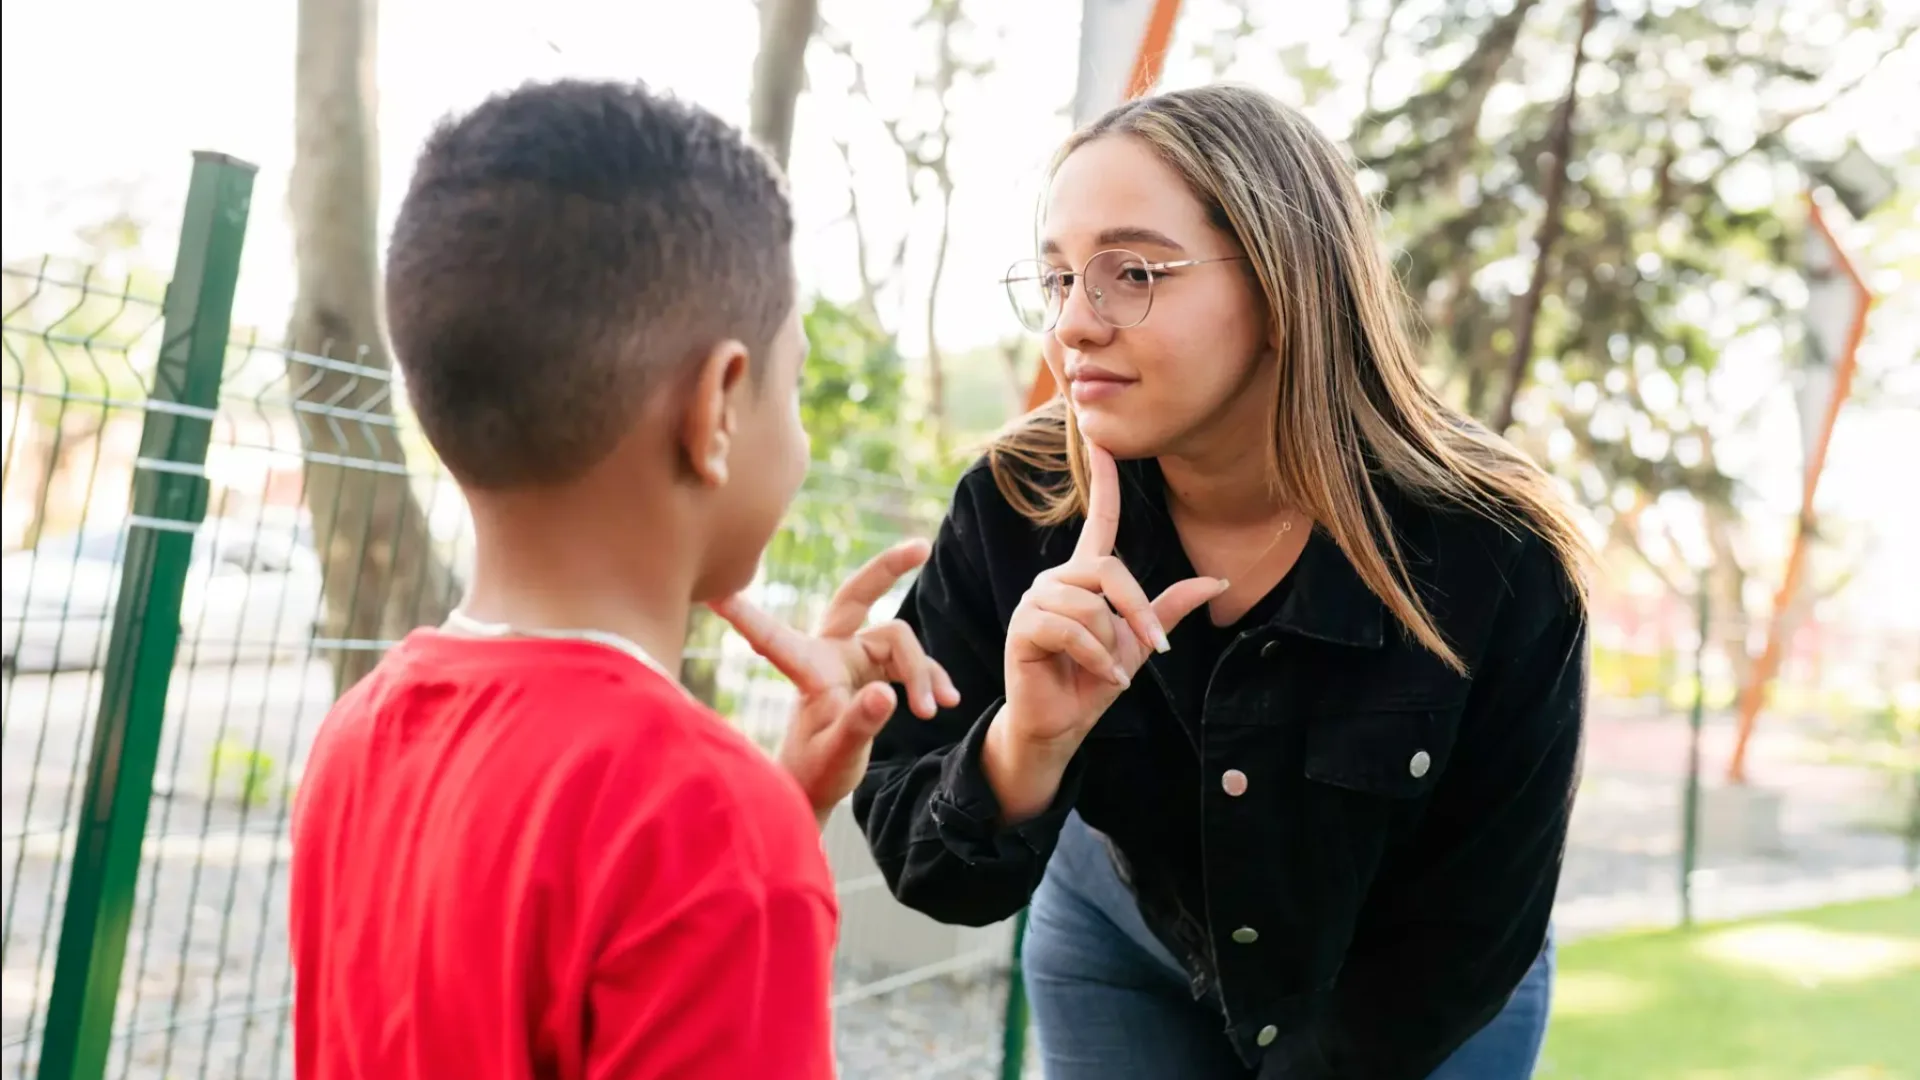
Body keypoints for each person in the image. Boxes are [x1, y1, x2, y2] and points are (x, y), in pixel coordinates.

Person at [854, 84, 1589, 1080]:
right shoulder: (1016, 509)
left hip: (1417, 991)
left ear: (1288, 288)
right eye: (1059, 278)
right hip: (1126, 947)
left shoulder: (1492, 551)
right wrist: (1026, 742)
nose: (1076, 323)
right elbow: (922, 857)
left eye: (1134, 272)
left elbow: (1464, 930)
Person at [288, 79, 958, 1080]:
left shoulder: (360, 732)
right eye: (798, 387)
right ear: (718, 406)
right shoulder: (710, 830)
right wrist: (752, 834)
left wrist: (781, 808)